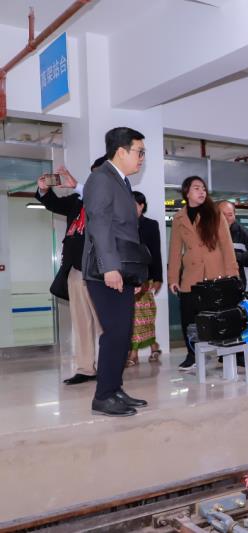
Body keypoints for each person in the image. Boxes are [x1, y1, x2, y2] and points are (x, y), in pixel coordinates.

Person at [82, 127, 148, 416]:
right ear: (121, 151)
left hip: (122, 271)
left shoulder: (121, 181)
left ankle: (114, 388)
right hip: (104, 271)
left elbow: (125, 232)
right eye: (139, 152)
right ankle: (103, 396)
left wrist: (133, 274)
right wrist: (110, 268)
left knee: (124, 332)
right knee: (115, 332)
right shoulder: (101, 179)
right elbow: (99, 225)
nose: (142, 158)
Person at [35, 158, 105, 385]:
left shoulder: (111, 200)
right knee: (81, 322)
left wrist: (78, 186)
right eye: (93, 175)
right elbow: (53, 204)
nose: (95, 180)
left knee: (106, 323)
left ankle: (110, 366)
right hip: (76, 269)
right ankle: (86, 368)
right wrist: (44, 190)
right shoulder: (77, 201)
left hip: (101, 272)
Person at [168, 176, 239, 370]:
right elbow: (175, 250)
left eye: (203, 189)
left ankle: (225, 355)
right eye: (196, 188)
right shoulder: (179, 218)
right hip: (191, 276)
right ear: (187, 192)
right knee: (188, 317)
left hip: (215, 274)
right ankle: (192, 354)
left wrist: (232, 274)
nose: (202, 192)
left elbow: (227, 245)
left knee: (218, 317)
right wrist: (173, 277)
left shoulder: (215, 213)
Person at [127, 191, 163, 366]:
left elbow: (156, 253)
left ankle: (133, 354)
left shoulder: (150, 225)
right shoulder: (121, 224)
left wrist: (158, 278)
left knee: (141, 317)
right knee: (134, 317)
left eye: (133, 204)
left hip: (145, 278)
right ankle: (154, 346)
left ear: (141, 206)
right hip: (126, 278)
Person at [218, 201, 248, 291]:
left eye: (230, 215)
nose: (226, 218)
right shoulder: (208, 233)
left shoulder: (245, 234)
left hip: (239, 286)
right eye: (223, 214)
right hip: (213, 283)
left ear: (234, 215)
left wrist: (235, 256)